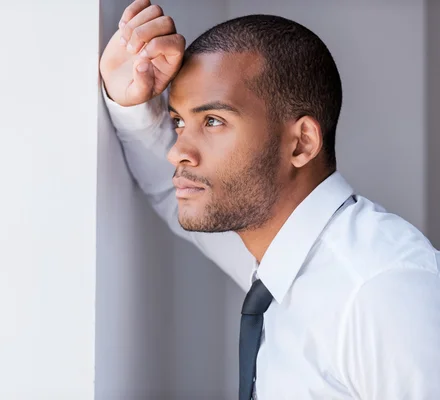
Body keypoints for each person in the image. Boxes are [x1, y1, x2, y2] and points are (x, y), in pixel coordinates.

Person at [100, 0, 440, 399]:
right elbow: (167, 186)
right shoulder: (278, 256)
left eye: (213, 121)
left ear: (301, 142)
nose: (178, 152)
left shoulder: (381, 289)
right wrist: (131, 98)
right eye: (179, 122)